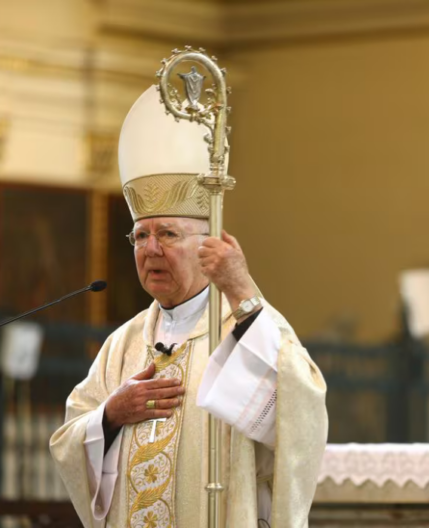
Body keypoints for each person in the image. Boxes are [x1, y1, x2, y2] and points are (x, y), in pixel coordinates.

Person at [50, 84, 328, 527]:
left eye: (168, 235)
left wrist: (240, 287)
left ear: (208, 246)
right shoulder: (124, 343)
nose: (151, 249)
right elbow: (67, 439)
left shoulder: (242, 328)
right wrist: (112, 414)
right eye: (141, 236)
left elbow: (303, 409)